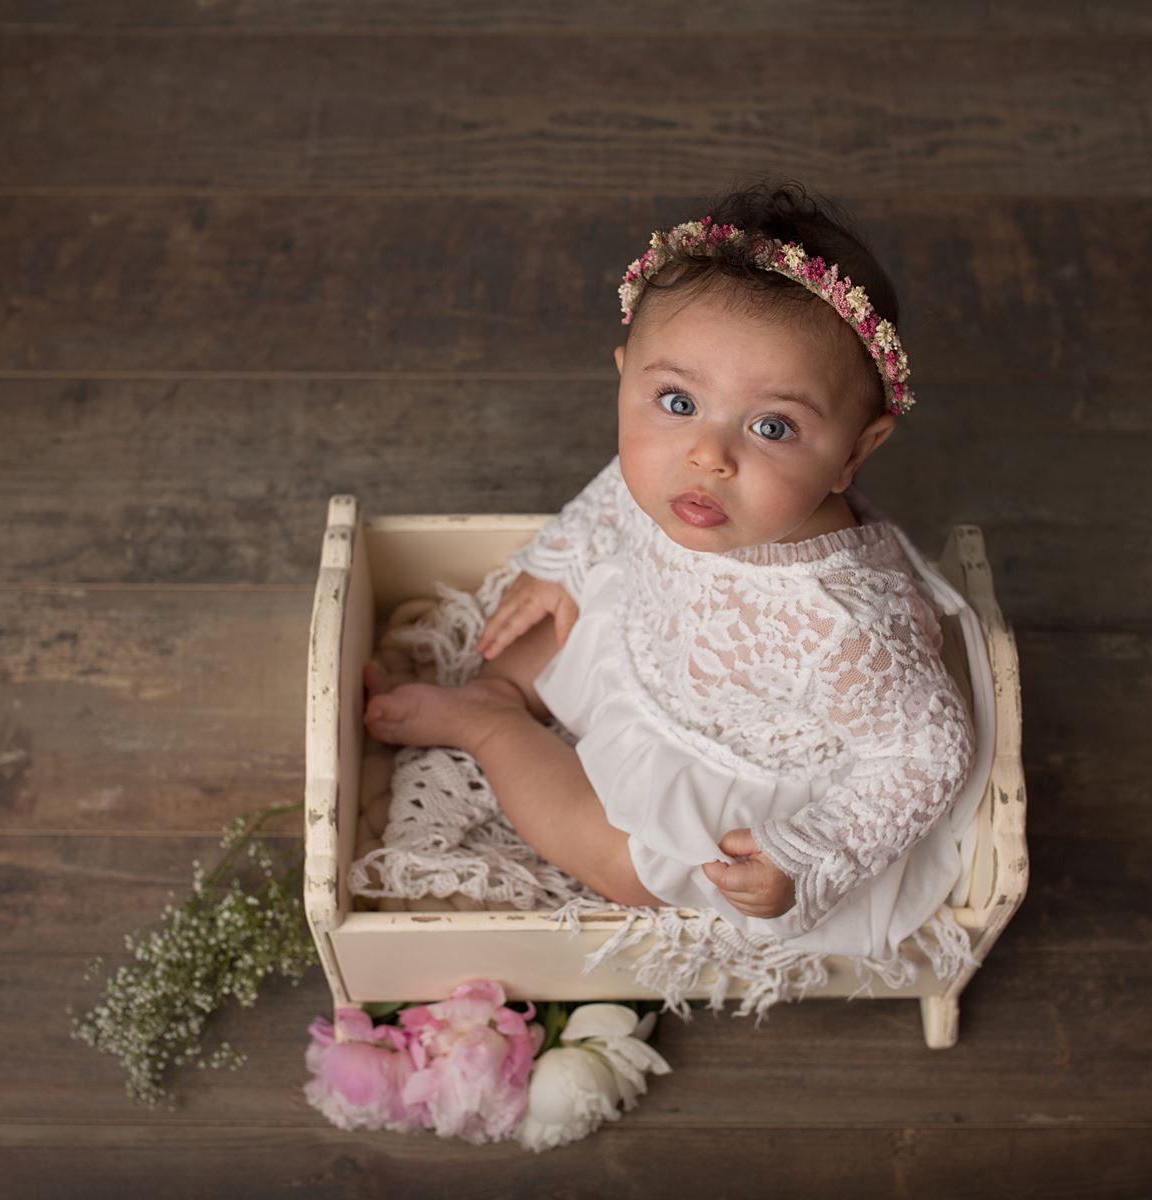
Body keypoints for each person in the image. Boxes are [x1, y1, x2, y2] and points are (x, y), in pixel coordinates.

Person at [362, 180, 981, 959]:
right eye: (679, 403)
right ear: (628, 379)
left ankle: (488, 726)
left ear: (855, 451)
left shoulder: (846, 629)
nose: (707, 455)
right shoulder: (682, 477)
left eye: (773, 426)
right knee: (560, 618)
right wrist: (560, 563)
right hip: (648, 639)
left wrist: (807, 849)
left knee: (628, 869)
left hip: (729, 757)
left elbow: (931, 752)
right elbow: (614, 490)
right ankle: (499, 689)